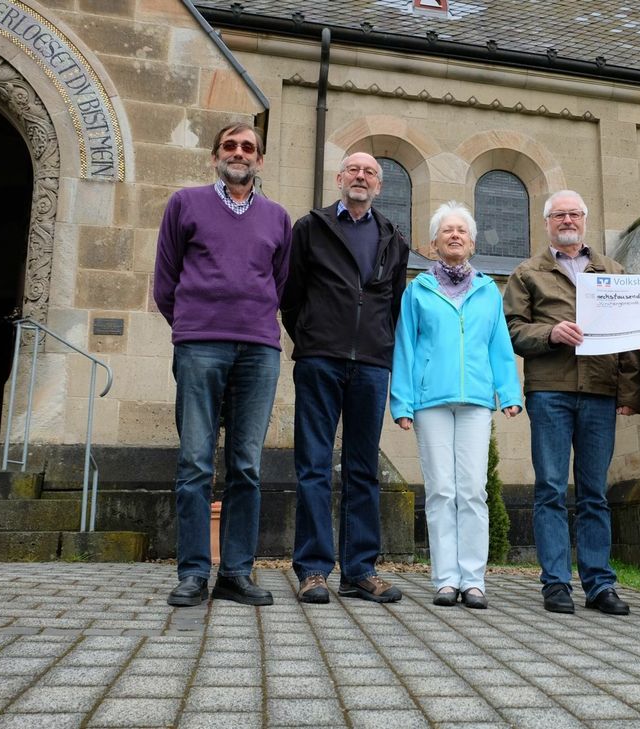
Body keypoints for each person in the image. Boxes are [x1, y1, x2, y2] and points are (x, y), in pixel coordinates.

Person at [155, 122, 292, 607]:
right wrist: (193, 325)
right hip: (200, 346)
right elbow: (165, 279)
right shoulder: (185, 204)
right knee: (194, 462)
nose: (239, 153)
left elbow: (279, 281)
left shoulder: (277, 217)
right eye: (230, 145)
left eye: (248, 147)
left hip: (258, 348)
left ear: (260, 160)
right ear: (215, 155)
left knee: (246, 465)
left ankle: (235, 572)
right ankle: (193, 573)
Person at [503, 190, 640, 615]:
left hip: (600, 393)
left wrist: (629, 394)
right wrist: (550, 334)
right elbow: (510, 330)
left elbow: (630, 335)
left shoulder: (613, 271)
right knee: (549, 488)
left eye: (574, 214)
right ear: (547, 223)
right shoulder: (527, 273)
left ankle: (600, 585)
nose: (567, 220)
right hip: (550, 391)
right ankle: (556, 583)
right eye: (559, 214)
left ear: (584, 220)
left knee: (594, 493)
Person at [281, 152, 410, 604]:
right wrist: (314, 335)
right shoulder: (310, 228)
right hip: (320, 358)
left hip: (372, 365)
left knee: (363, 468)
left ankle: (359, 571)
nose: (361, 177)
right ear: (339, 178)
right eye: (353, 170)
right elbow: (291, 294)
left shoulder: (394, 237)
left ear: (379, 185)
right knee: (314, 465)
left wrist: (376, 344)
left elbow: (393, 303)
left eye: (370, 172)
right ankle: (313, 569)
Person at [390, 202, 523, 610]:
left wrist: (510, 393)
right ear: (433, 243)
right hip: (430, 400)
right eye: (446, 231)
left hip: (477, 401)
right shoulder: (418, 291)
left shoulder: (487, 291)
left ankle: (474, 580)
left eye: (461, 231)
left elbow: (499, 346)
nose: (454, 236)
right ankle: (446, 580)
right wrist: (402, 401)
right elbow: (406, 347)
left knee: (472, 490)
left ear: (472, 241)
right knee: (441, 491)